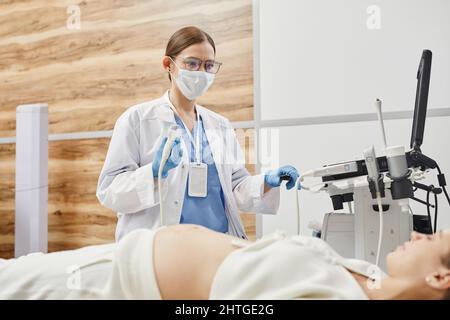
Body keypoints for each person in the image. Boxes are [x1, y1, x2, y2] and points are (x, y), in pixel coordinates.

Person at [96, 26, 301, 241]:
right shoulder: (137, 119)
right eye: (192, 63)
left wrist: (267, 181)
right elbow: (109, 191)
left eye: (209, 65)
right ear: (168, 65)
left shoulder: (219, 125)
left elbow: (234, 188)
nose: (201, 72)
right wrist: (154, 173)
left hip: (217, 243)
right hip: (162, 246)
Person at [1, 225, 449, 300]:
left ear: (440, 276)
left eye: (432, 237)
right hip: (124, 254)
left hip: (115, 285)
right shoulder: (367, 275)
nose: (415, 234)